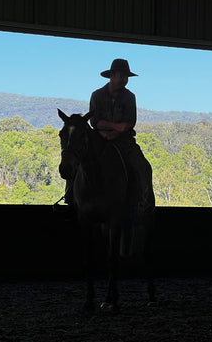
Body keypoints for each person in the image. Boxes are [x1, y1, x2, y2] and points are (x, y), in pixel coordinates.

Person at [62, 58, 155, 220]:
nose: (125, 80)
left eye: (126, 77)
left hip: (123, 140)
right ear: (112, 75)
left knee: (140, 164)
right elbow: (95, 121)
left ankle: (141, 201)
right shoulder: (97, 95)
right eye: (122, 76)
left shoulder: (129, 97)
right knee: (78, 158)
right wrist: (112, 128)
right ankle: (70, 197)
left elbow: (128, 124)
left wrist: (113, 131)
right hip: (98, 137)